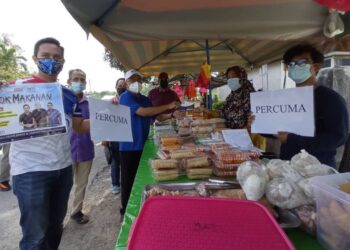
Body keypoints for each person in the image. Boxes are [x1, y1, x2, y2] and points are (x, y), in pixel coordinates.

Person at [5, 37, 89, 250]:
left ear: (63, 61)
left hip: (62, 169)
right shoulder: (15, 88)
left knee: (55, 228)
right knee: (35, 236)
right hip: (30, 172)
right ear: (35, 59)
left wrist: (111, 115)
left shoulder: (69, 95)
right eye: (45, 57)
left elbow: (79, 127)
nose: (52, 61)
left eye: (56, 57)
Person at [249, 44, 348, 167]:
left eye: (301, 63)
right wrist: (259, 123)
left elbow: (338, 137)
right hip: (288, 164)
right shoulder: (286, 98)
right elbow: (279, 131)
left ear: (316, 67)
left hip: (318, 168)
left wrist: (291, 140)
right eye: (291, 64)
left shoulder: (330, 98)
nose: (295, 67)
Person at [119, 69, 180, 215]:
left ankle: (144, 207)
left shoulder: (146, 99)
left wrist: (172, 114)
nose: (136, 83)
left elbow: (157, 117)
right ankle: (126, 211)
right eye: (132, 80)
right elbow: (143, 112)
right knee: (128, 181)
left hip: (144, 144)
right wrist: (168, 105)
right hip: (129, 146)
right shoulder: (125, 97)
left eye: (139, 79)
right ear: (126, 83)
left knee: (142, 179)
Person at [67, 68, 95, 224]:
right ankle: (57, 219)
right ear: (68, 81)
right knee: (63, 187)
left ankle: (76, 212)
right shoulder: (62, 101)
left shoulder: (90, 105)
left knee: (81, 184)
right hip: (66, 152)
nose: (79, 82)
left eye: (82, 79)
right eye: (76, 79)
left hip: (86, 149)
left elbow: (100, 122)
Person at [108, 77, 127, 194]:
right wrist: (106, 137)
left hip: (127, 135)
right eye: (119, 85)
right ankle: (115, 184)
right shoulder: (112, 101)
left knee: (125, 160)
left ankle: (125, 183)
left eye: (124, 85)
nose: (121, 87)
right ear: (116, 87)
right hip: (115, 136)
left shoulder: (129, 101)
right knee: (115, 162)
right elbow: (106, 121)